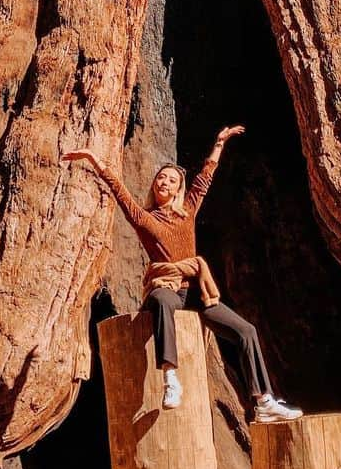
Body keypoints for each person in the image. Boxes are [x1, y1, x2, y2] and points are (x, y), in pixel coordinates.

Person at [62, 125, 302, 421]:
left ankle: (264, 401)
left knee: (246, 331)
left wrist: (219, 144)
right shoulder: (145, 219)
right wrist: (93, 159)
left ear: (178, 189)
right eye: (161, 178)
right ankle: (170, 379)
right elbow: (119, 191)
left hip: (195, 290)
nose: (164, 182)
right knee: (162, 301)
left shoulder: (188, 211)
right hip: (166, 286)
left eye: (171, 180)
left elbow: (203, 181)